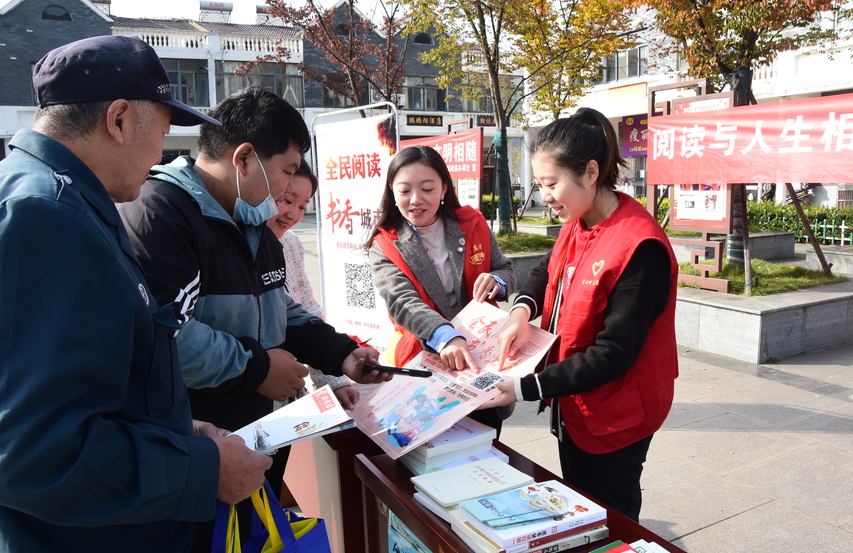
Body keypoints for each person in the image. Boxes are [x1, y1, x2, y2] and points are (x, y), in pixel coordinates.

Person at [0, 36, 272, 552]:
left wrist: (173, 430)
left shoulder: (68, 201)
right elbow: (32, 451)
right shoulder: (46, 218)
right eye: (164, 131)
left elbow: (88, 390)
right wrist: (201, 471)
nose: (162, 151)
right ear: (119, 120)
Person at [117, 86, 390, 552]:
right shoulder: (161, 214)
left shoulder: (251, 220)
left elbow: (278, 306)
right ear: (243, 158)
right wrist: (260, 370)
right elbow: (166, 336)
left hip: (258, 439)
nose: (288, 190)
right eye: (285, 172)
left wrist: (341, 353)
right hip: (197, 454)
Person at [489, 107, 679, 522]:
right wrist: (522, 309)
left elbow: (614, 352)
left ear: (590, 172)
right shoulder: (580, 220)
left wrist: (523, 388)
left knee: (610, 517)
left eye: (552, 184)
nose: (545, 197)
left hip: (616, 413)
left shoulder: (640, 247)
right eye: (540, 185)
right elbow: (547, 270)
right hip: (575, 400)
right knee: (579, 505)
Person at [366, 145, 516, 432]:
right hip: (424, 364)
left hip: (479, 357)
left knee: (485, 448)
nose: (416, 200)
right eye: (405, 190)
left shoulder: (472, 224)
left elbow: (505, 269)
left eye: (427, 188)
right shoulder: (384, 244)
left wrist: (496, 282)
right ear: (392, 191)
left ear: (444, 187)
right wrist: (445, 336)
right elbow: (402, 303)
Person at [266, 159, 359, 409]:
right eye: (286, 200)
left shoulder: (291, 243)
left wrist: (335, 381)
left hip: (289, 396)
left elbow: (306, 310)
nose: (293, 214)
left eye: (302, 206)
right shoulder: (237, 246)